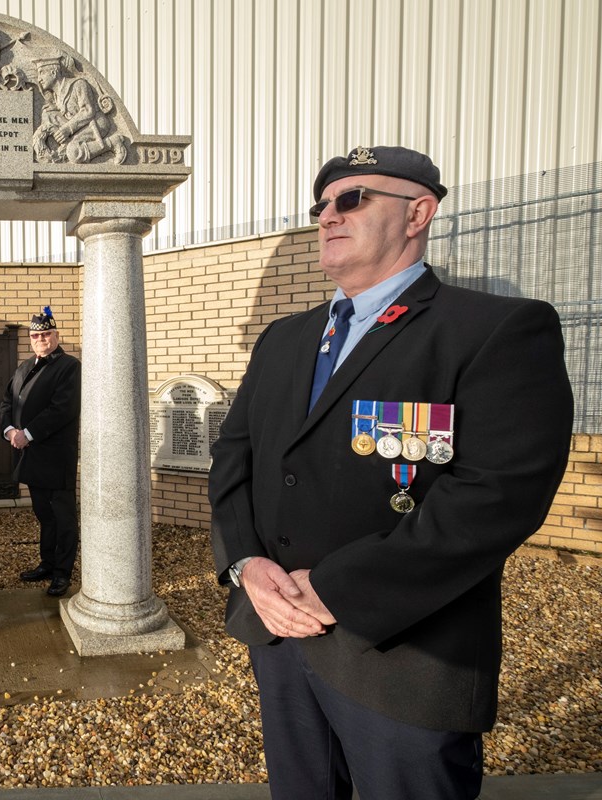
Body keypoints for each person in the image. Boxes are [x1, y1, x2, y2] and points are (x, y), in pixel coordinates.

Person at [208, 145, 574, 799]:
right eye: (321, 204)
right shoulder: (283, 340)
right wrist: (245, 565)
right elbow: (235, 458)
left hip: (404, 659)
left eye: (352, 199)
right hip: (281, 642)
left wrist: (334, 589)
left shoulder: (493, 331)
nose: (327, 216)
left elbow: (495, 497)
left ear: (419, 212)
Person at [0, 307, 82, 597]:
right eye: (36, 335)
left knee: (63, 517)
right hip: (30, 455)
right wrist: (10, 430)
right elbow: (6, 403)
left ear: (56, 336)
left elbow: (62, 409)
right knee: (42, 514)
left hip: (56, 456)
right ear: (31, 339)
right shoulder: (23, 368)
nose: (41, 339)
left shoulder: (69, 367)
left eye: (46, 334)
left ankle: (62, 573)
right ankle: (47, 563)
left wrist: (27, 434)